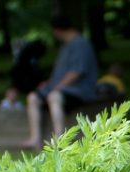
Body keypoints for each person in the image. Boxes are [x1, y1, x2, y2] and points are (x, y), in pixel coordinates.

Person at [21, 15, 99, 147]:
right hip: (60, 89)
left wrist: (56, 87)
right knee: (33, 97)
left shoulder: (81, 44)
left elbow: (76, 72)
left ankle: (60, 139)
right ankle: (35, 139)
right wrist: (49, 84)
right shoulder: (65, 46)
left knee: (54, 96)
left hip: (79, 91)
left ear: (57, 31)